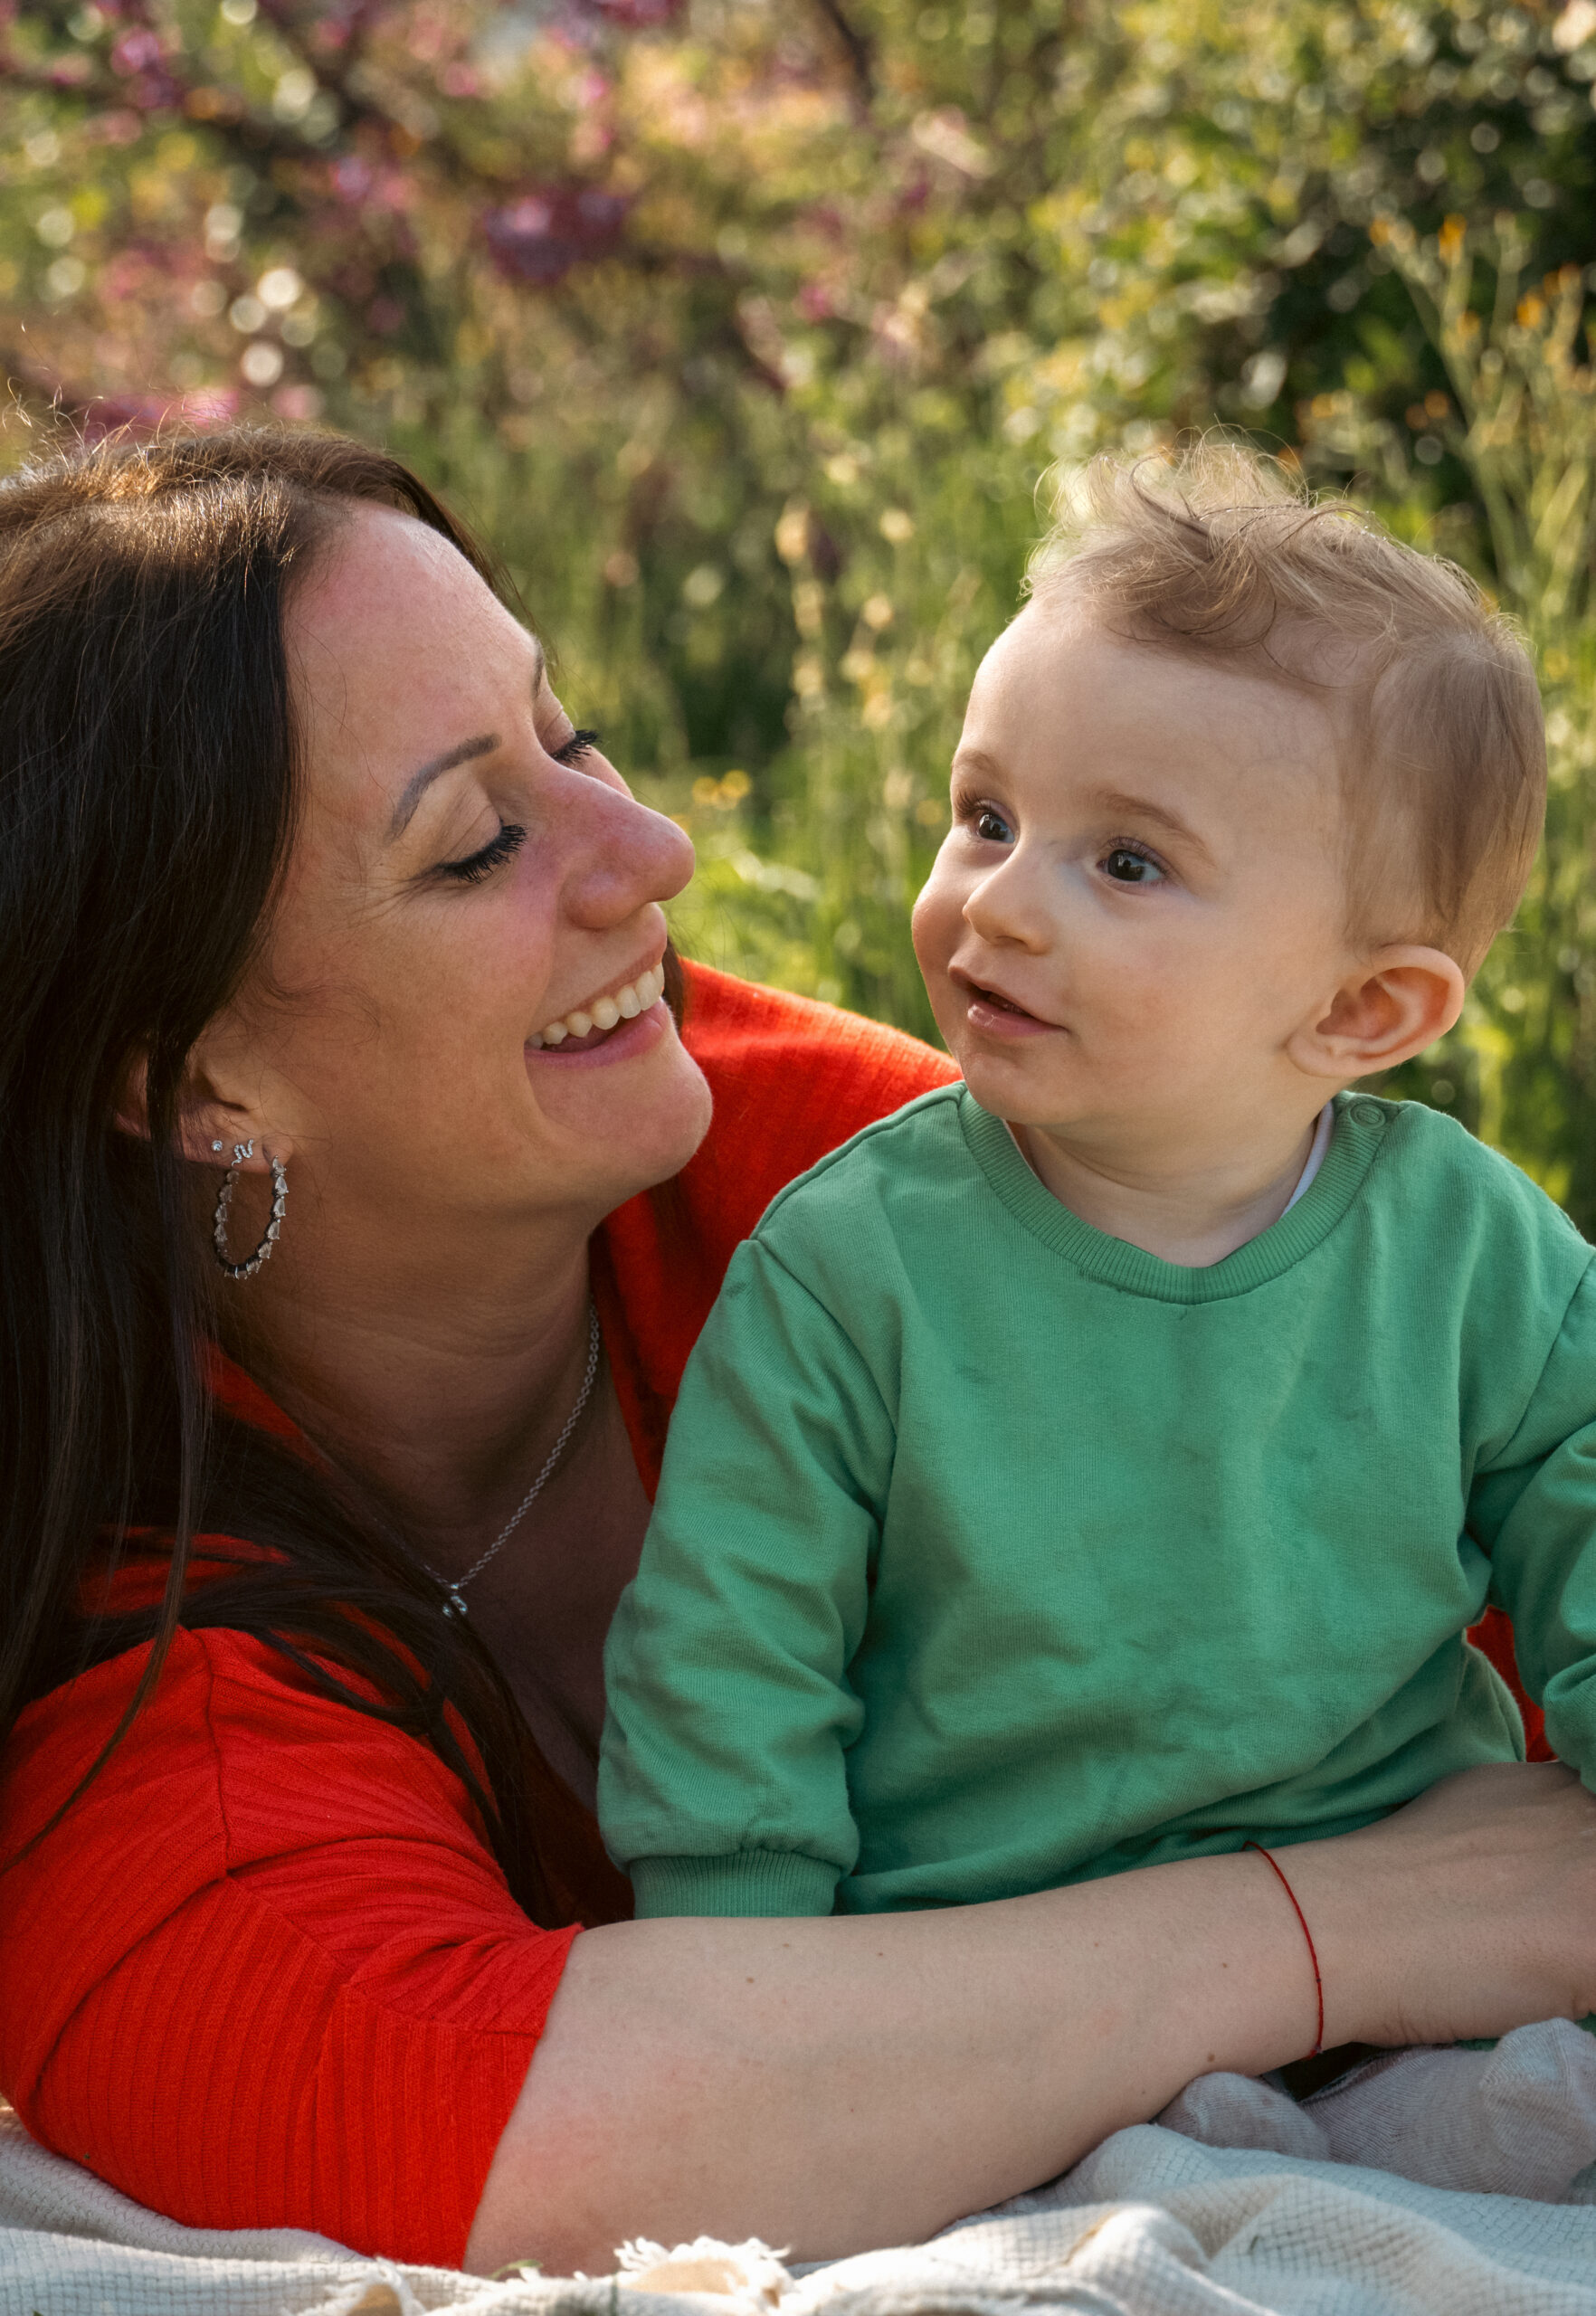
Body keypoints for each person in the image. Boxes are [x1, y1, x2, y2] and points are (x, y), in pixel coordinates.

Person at [1, 432, 1595, 2287]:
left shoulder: (845, 1147)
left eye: (575, 736)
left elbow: (1479, 1532)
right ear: (202, 1083)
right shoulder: (118, 1665)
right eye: (477, 840)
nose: (654, 855)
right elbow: (478, 2123)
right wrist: (1342, 1924)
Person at [599, 447, 1596, 2189]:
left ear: (1364, 1009)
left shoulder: (1471, 1252)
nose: (997, 899)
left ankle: (1372, 2127)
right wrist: (738, 1989)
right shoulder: (852, 1266)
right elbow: (730, 1664)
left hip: (1396, 1942)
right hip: (996, 1972)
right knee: (1122, 2150)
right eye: (986, 816)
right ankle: (1186, 2147)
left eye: (1126, 863)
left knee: (1511, 2096)